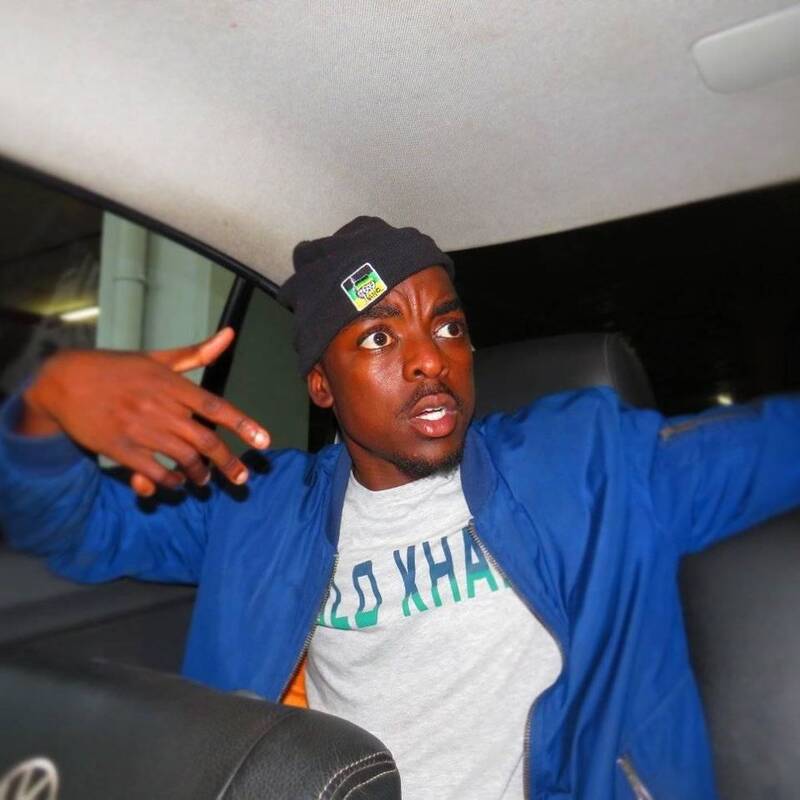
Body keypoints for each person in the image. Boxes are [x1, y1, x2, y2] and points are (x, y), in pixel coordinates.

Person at [2, 216, 800, 800]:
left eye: (448, 326)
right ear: (322, 385)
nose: (430, 360)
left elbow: (776, 445)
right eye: (380, 339)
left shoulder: (592, 465)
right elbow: (70, 527)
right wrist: (47, 397)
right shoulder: (258, 509)